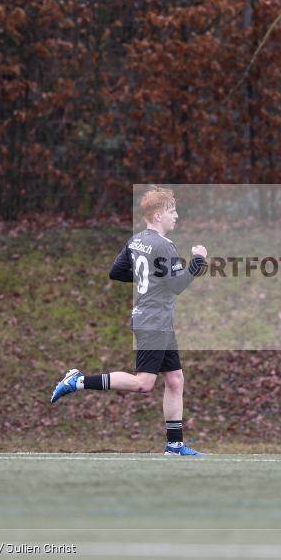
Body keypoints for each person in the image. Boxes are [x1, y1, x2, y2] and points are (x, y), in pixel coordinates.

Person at [51, 186, 207, 456]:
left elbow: (116, 272)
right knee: (144, 383)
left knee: (175, 379)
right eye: (172, 211)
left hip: (156, 320)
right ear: (157, 215)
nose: (176, 216)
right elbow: (177, 285)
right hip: (153, 321)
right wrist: (198, 261)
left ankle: (175, 445)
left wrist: (151, 281)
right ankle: (77, 381)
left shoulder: (137, 241)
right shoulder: (165, 246)